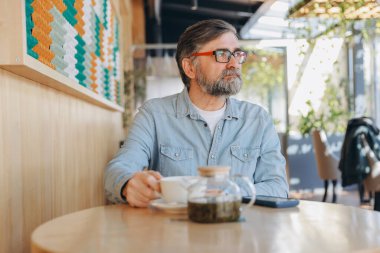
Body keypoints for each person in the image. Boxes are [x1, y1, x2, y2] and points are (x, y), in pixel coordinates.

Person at [105, 19, 289, 207]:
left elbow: (278, 187)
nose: (234, 63)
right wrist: (129, 185)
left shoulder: (258, 120)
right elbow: (119, 169)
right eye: (222, 54)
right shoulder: (154, 115)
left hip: (238, 231)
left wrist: (224, 193)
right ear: (190, 68)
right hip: (173, 232)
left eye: (237, 54)